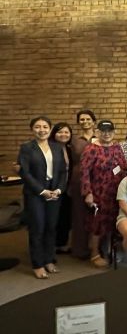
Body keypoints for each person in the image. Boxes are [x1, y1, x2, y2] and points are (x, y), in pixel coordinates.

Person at [18, 116, 67, 279]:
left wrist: (59, 189)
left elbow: (62, 171)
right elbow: (25, 173)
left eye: (45, 127)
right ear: (32, 130)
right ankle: (37, 264)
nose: (42, 130)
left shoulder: (57, 147)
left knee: (51, 227)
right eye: (37, 127)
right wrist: (42, 191)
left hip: (55, 194)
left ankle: (49, 259)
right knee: (37, 228)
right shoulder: (26, 148)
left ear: (50, 129)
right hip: (35, 195)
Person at [81, 120, 127, 268]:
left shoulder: (117, 147)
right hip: (97, 193)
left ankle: (107, 251)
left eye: (109, 131)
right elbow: (84, 172)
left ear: (114, 132)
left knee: (110, 222)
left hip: (115, 193)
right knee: (97, 224)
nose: (106, 134)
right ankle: (94, 253)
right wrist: (87, 193)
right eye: (103, 131)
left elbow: (123, 168)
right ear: (97, 132)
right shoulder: (91, 149)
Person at [70, 109, 97, 259]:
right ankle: (80, 250)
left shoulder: (100, 137)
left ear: (94, 121)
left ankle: (96, 249)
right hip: (79, 179)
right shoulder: (74, 140)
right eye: (82, 119)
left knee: (95, 215)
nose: (85, 122)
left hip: (98, 180)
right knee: (79, 215)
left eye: (88, 119)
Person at [49, 122, 73, 254]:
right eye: (60, 132)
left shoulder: (69, 149)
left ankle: (62, 243)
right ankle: (50, 246)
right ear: (54, 134)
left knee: (65, 217)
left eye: (66, 132)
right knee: (53, 218)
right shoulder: (49, 148)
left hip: (67, 187)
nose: (63, 135)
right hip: (53, 187)